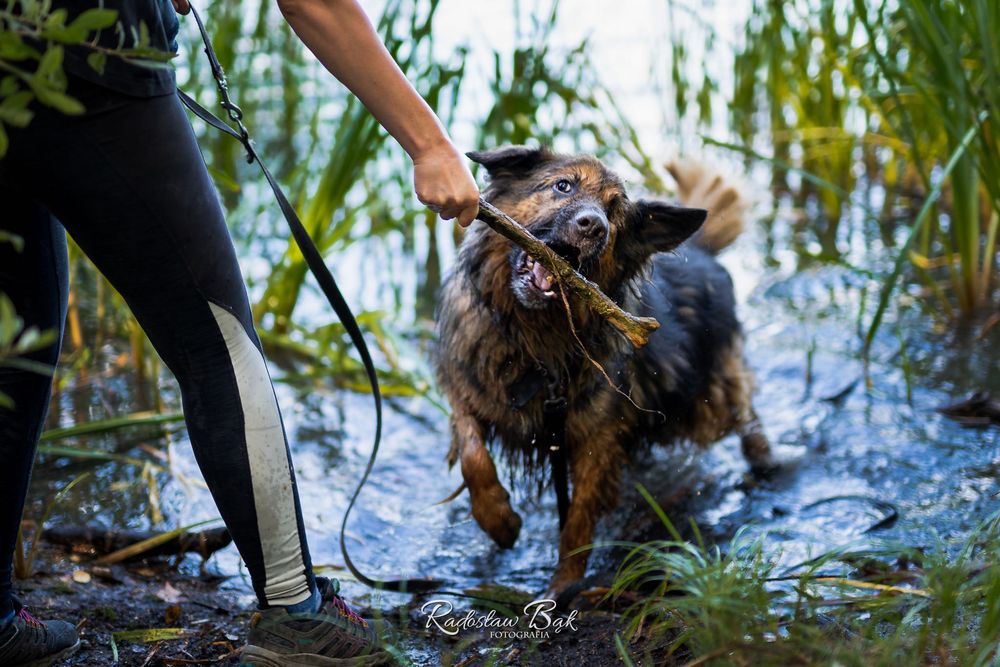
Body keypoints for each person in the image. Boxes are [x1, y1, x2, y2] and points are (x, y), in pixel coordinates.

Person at [0, 0, 480, 664]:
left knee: (13, 344)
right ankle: (294, 611)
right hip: (95, 55)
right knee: (217, 343)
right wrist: (429, 142)